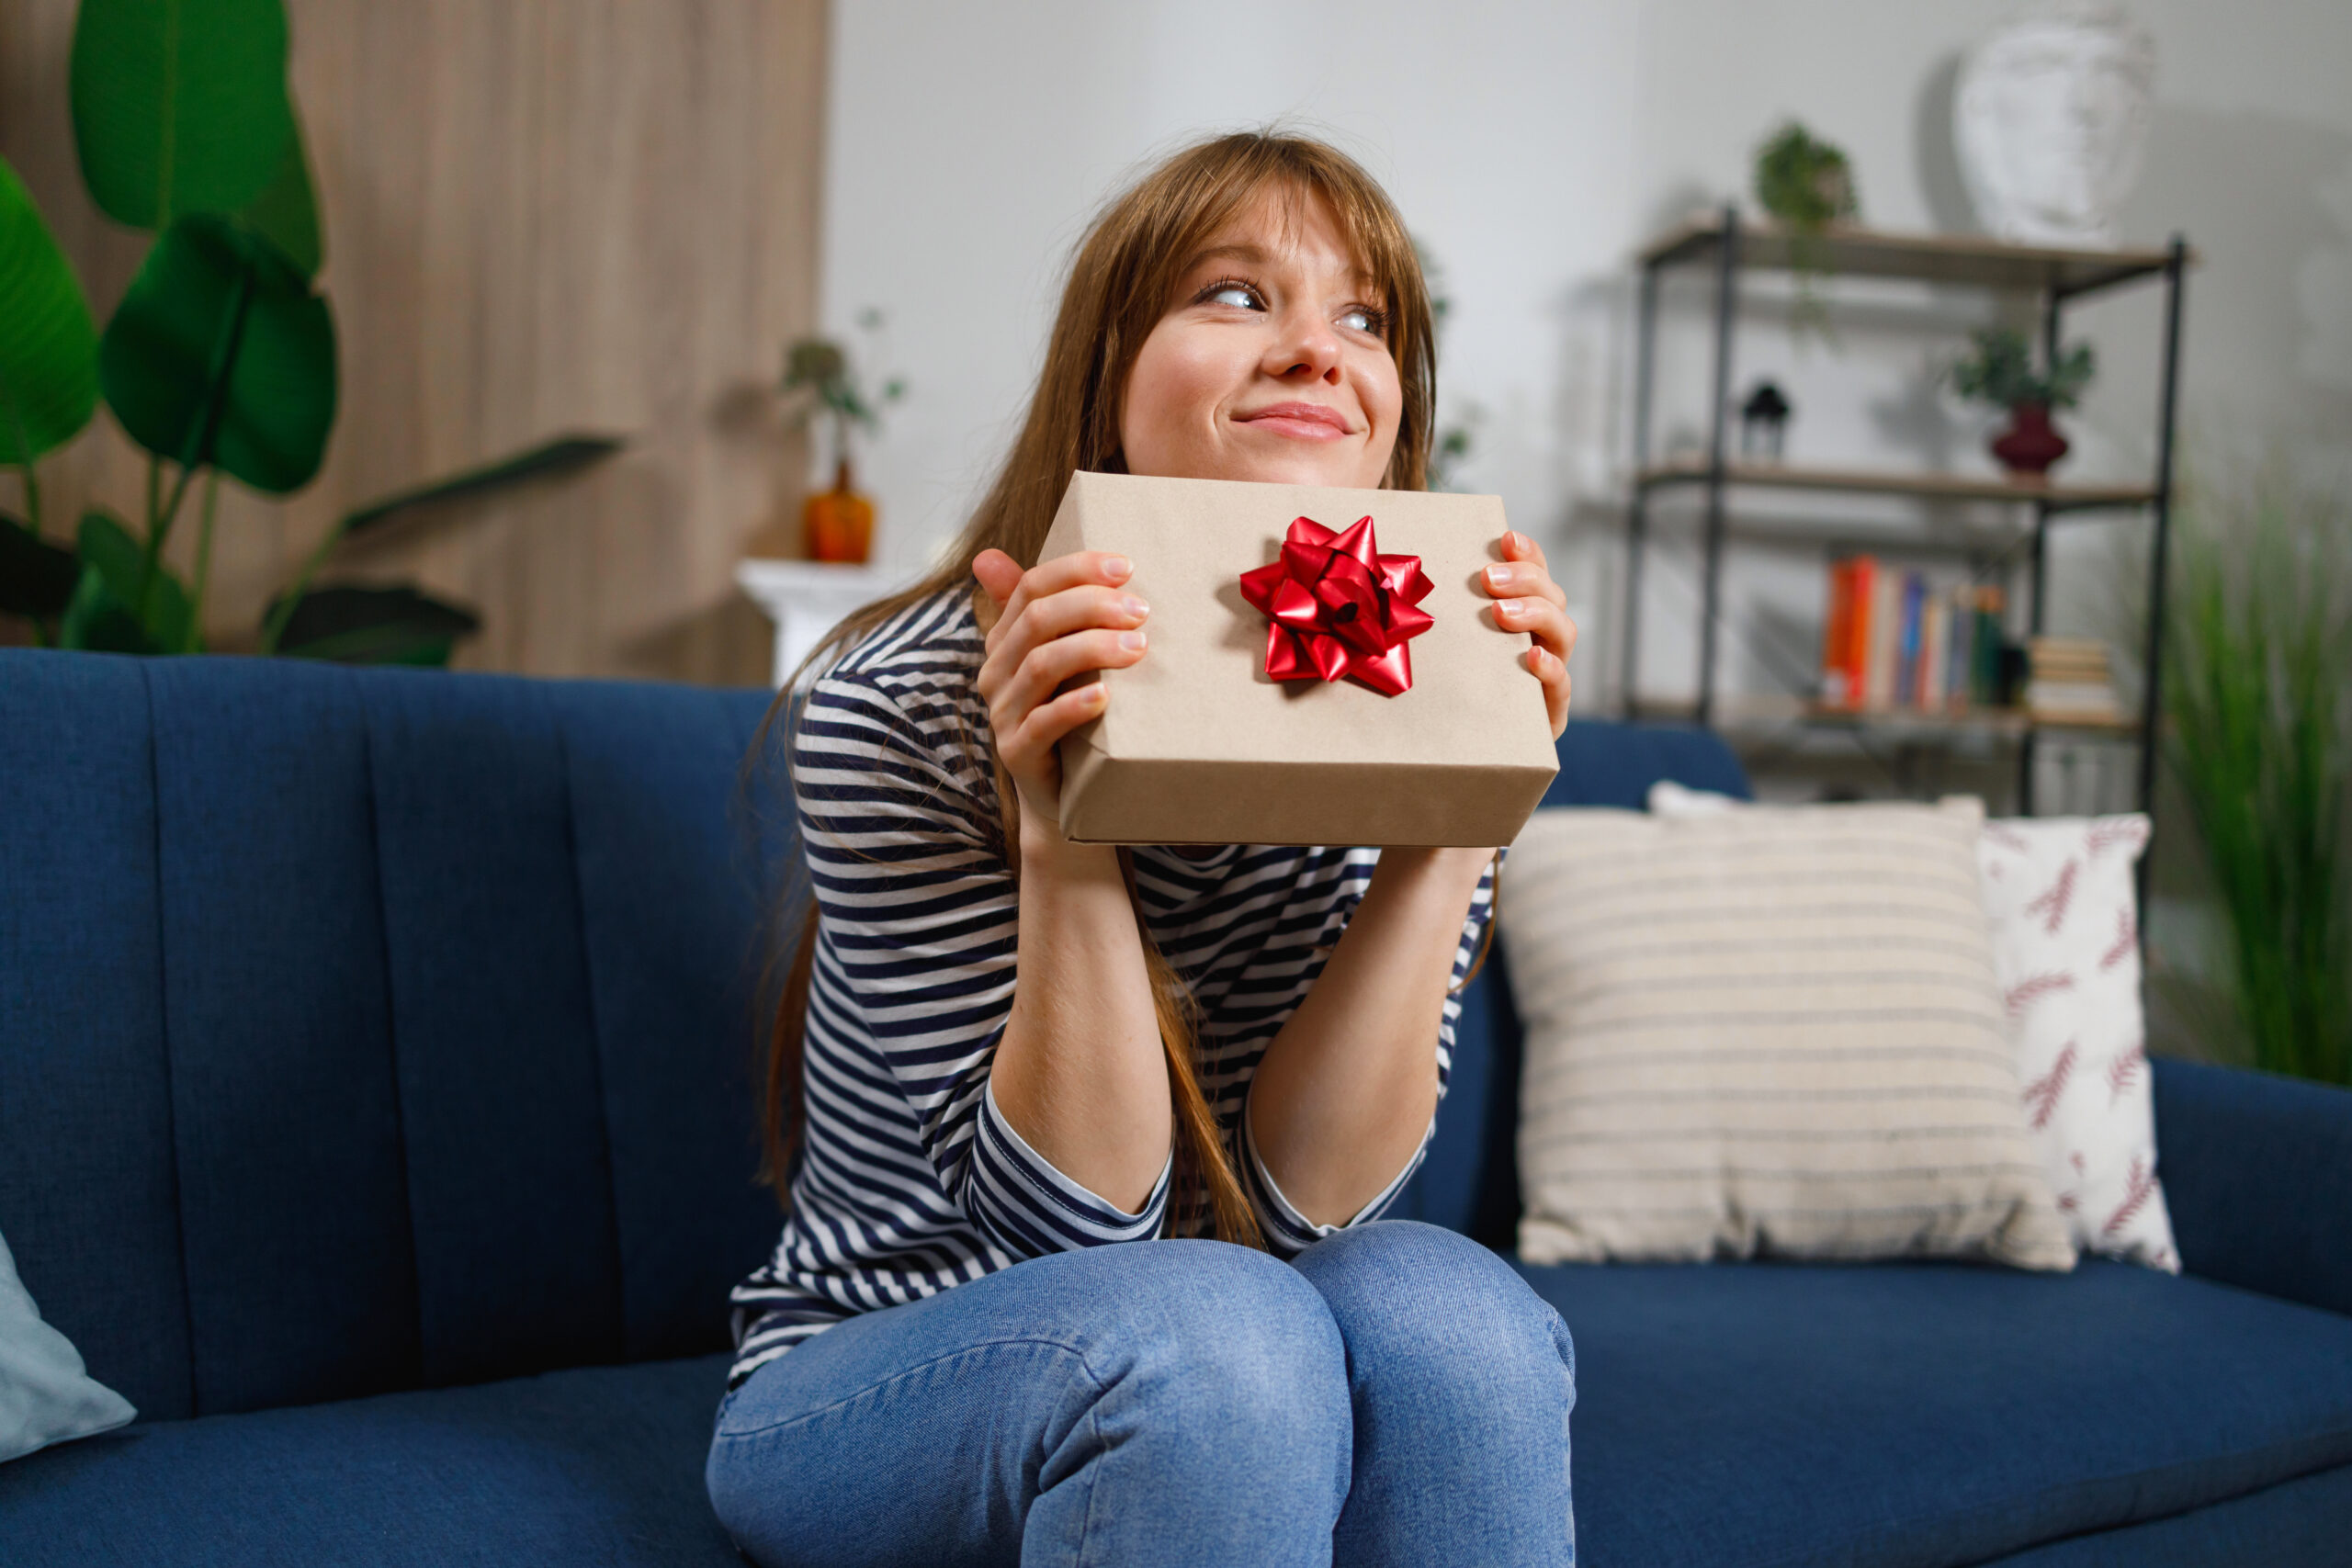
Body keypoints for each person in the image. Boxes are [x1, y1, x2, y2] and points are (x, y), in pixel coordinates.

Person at [707, 130, 1578, 1568]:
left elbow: (1315, 1206)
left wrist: (1460, 811)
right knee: (1212, 1330)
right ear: (1107, 372)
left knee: (1455, 1316)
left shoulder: (1429, 675)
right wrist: (1060, 819)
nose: (1319, 351)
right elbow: (1079, 1221)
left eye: (1365, 318)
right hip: (886, 1373)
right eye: (1237, 295)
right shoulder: (899, 701)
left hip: (1240, 1358)